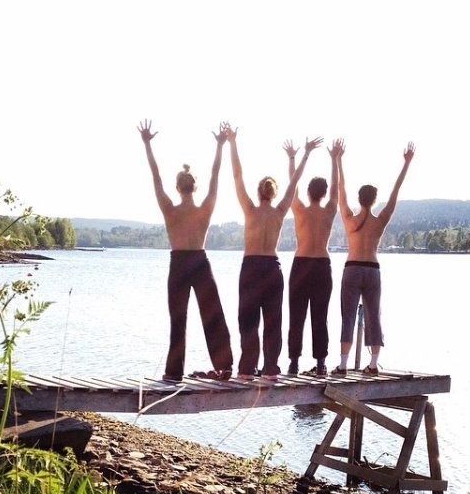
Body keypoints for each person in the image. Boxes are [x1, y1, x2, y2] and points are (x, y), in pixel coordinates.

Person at [138, 119, 233, 383]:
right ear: (194, 187)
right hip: (200, 262)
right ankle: (224, 367)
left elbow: (155, 176)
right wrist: (220, 146)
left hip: (179, 263)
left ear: (178, 187)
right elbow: (215, 176)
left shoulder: (169, 209)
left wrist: (147, 144)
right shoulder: (205, 209)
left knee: (178, 320)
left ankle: (173, 372)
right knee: (212, 314)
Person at [226, 125, 322, 380]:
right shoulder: (280, 211)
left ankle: (246, 370)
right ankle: (270, 369)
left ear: (259, 192)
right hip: (272, 267)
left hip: (251, 265)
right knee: (272, 320)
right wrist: (305, 154)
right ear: (274, 193)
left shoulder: (250, 209)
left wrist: (232, 143)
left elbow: (237, 176)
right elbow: (295, 182)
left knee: (248, 320)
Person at [332, 141, 416, 375]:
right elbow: (395, 193)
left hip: (352, 269)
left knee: (348, 315)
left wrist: (338, 160)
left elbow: (341, 189)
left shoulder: (349, 219)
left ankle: (342, 364)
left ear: (360, 199)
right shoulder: (380, 221)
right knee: (374, 315)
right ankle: (372, 363)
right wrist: (406, 164)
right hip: (372, 269)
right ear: (373, 199)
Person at [284, 138, 343, 377]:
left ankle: (294, 363)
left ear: (309, 192)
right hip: (321, 265)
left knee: (297, 316)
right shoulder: (330, 210)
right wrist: (335, 159)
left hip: (302, 264)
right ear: (324, 193)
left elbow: (292, 184)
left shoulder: (299, 209)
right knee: (320, 316)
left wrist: (295, 157)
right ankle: (320, 363)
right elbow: (337, 189)